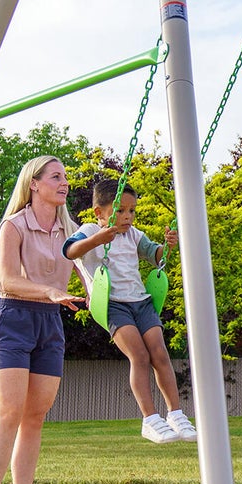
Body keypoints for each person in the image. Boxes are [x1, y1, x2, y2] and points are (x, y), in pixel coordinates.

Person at [0, 155, 84, 484]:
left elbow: (90, 273)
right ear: (34, 183)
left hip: (50, 322)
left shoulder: (72, 231)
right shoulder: (14, 226)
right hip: (13, 318)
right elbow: (6, 280)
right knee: (9, 412)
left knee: (35, 416)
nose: (64, 182)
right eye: (55, 176)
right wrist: (48, 291)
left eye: (65, 177)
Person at [64, 179, 197, 444]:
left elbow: (155, 256)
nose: (127, 217)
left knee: (159, 352)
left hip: (141, 301)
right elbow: (69, 251)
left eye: (132, 211)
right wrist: (97, 239)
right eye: (120, 211)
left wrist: (168, 246)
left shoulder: (134, 234)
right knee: (139, 355)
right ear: (99, 213)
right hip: (112, 304)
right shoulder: (89, 230)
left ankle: (176, 414)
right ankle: (150, 419)